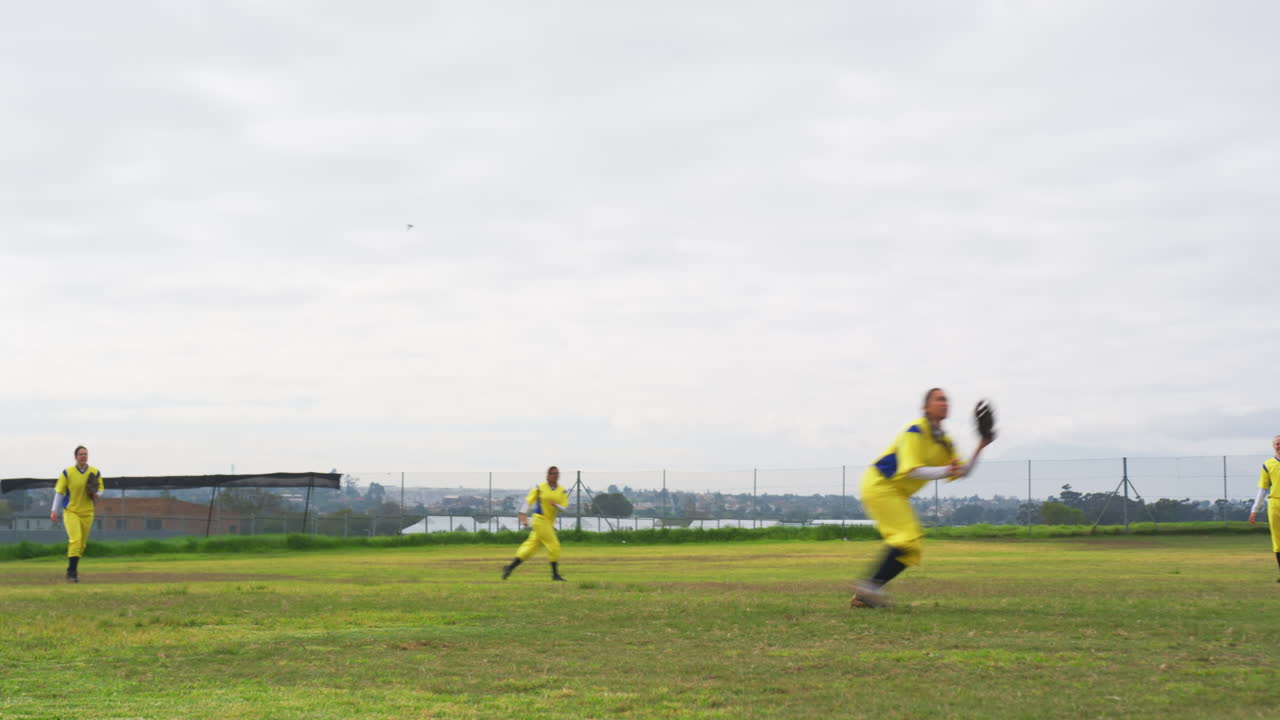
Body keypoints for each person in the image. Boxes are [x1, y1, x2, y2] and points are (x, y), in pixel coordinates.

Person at [851, 388, 993, 608]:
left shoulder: (944, 442)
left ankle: (866, 594)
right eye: (938, 399)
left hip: (895, 492)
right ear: (926, 407)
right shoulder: (915, 431)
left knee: (912, 545)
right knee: (908, 537)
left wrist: (981, 444)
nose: (944, 403)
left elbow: (962, 471)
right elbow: (912, 471)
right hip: (879, 484)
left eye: (946, 399)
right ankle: (869, 587)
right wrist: (947, 470)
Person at [502, 466, 570, 582]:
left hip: (549, 522)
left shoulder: (562, 490)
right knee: (554, 545)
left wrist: (555, 505)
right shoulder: (540, 488)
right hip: (540, 520)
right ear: (547, 475)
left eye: (557, 473)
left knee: (530, 547)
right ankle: (555, 575)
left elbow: (564, 508)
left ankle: (509, 567)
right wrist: (522, 513)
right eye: (553, 473)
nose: (555, 475)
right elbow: (528, 500)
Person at [49, 445, 103, 583]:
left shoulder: (95, 472)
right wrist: (54, 510)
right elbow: (60, 492)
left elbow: (101, 490)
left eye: (85, 454)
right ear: (75, 457)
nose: (83, 456)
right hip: (71, 511)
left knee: (82, 544)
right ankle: (72, 573)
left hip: (87, 512)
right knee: (75, 540)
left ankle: (70, 570)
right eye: (80, 454)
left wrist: (95, 493)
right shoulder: (67, 472)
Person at [1247, 434, 1280, 581]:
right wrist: (1255, 510)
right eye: (1277, 443)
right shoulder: (1268, 465)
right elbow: (1263, 489)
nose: (1279, 445)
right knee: (1277, 541)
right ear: (1273, 446)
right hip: (1275, 504)